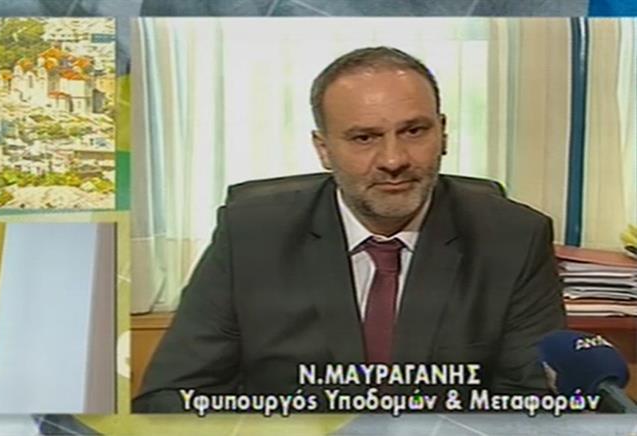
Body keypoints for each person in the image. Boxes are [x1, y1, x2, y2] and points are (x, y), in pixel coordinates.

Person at [133, 47, 566, 412]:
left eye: (414, 131)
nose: (394, 160)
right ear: (323, 149)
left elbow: (528, 400)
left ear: (444, 133)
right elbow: (172, 397)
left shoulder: (514, 238)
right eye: (364, 138)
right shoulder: (249, 236)